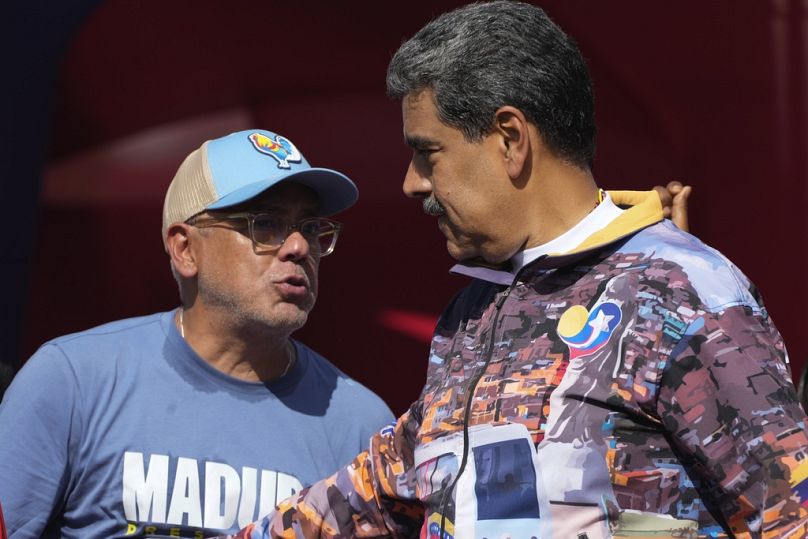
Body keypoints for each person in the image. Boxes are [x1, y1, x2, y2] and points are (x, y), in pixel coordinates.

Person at [225, 3, 808, 539]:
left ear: (510, 139)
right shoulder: (474, 311)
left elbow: (789, 514)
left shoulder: (684, 293)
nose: (411, 183)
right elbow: (382, 488)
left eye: (427, 152)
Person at [0, 129, 394, 538]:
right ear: (185, 249)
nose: (297, 246)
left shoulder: (361, 427)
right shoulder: (73, 382)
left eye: (310, 228)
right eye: (266, 224)